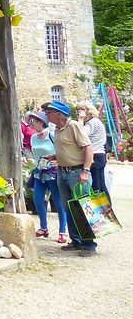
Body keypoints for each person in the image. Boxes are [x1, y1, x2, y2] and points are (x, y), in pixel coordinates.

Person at [43, 100, 96, 256]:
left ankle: (89, 244)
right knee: (69, 208)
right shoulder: (58, 130)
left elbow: (88, 148)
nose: (46, 114)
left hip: (77, 172)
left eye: (49, 112)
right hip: (63, 172)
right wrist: (54, 156)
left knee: (82, 207)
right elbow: (69, 148)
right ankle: (76, 241)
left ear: (58, 115)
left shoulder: (74, 126)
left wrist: (85, 171)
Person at [26, 110, 67, 243]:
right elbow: (34, 153)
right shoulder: (33, 137)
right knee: (37, 199)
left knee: (58, 203)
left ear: (41, 123)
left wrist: (58, 161)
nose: (30, 123)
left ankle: (62, 231)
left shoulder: (51, 135)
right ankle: (43, 227)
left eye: (33, 121)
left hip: (52, 173)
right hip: (39, 172)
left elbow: (61, 149)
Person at [76, 101, 109, 200]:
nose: (79, 112)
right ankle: (106, 209)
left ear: (88, 110)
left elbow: (81, 134)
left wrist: (80, 120)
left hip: (95, 154)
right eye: (78, 110)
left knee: (97, 186)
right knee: (100, 184)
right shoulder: (95, 122)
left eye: (82, 110)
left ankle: (102, 210)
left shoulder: (93, 122)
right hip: (99, 154)